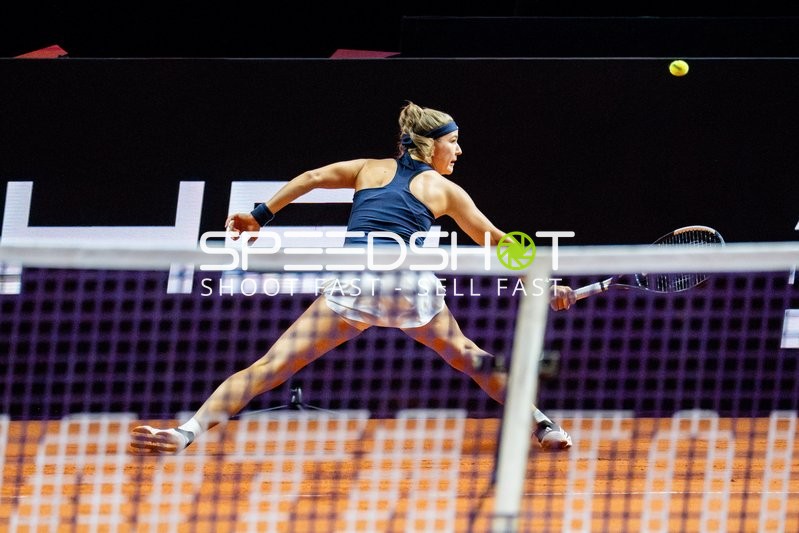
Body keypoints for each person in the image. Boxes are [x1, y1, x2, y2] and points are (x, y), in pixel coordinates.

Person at [130, 101, 576, 455]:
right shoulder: (445, 190)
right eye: (453, 142)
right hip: (408, 290)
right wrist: (544, 281)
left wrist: (260, 215)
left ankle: (187, 432)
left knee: (269, 367)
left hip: (357, 286)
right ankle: (543, 423)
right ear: (428, 146)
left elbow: (312, 177)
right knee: (471, 357)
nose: (458, 151)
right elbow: (497, 241)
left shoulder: (367, 169)